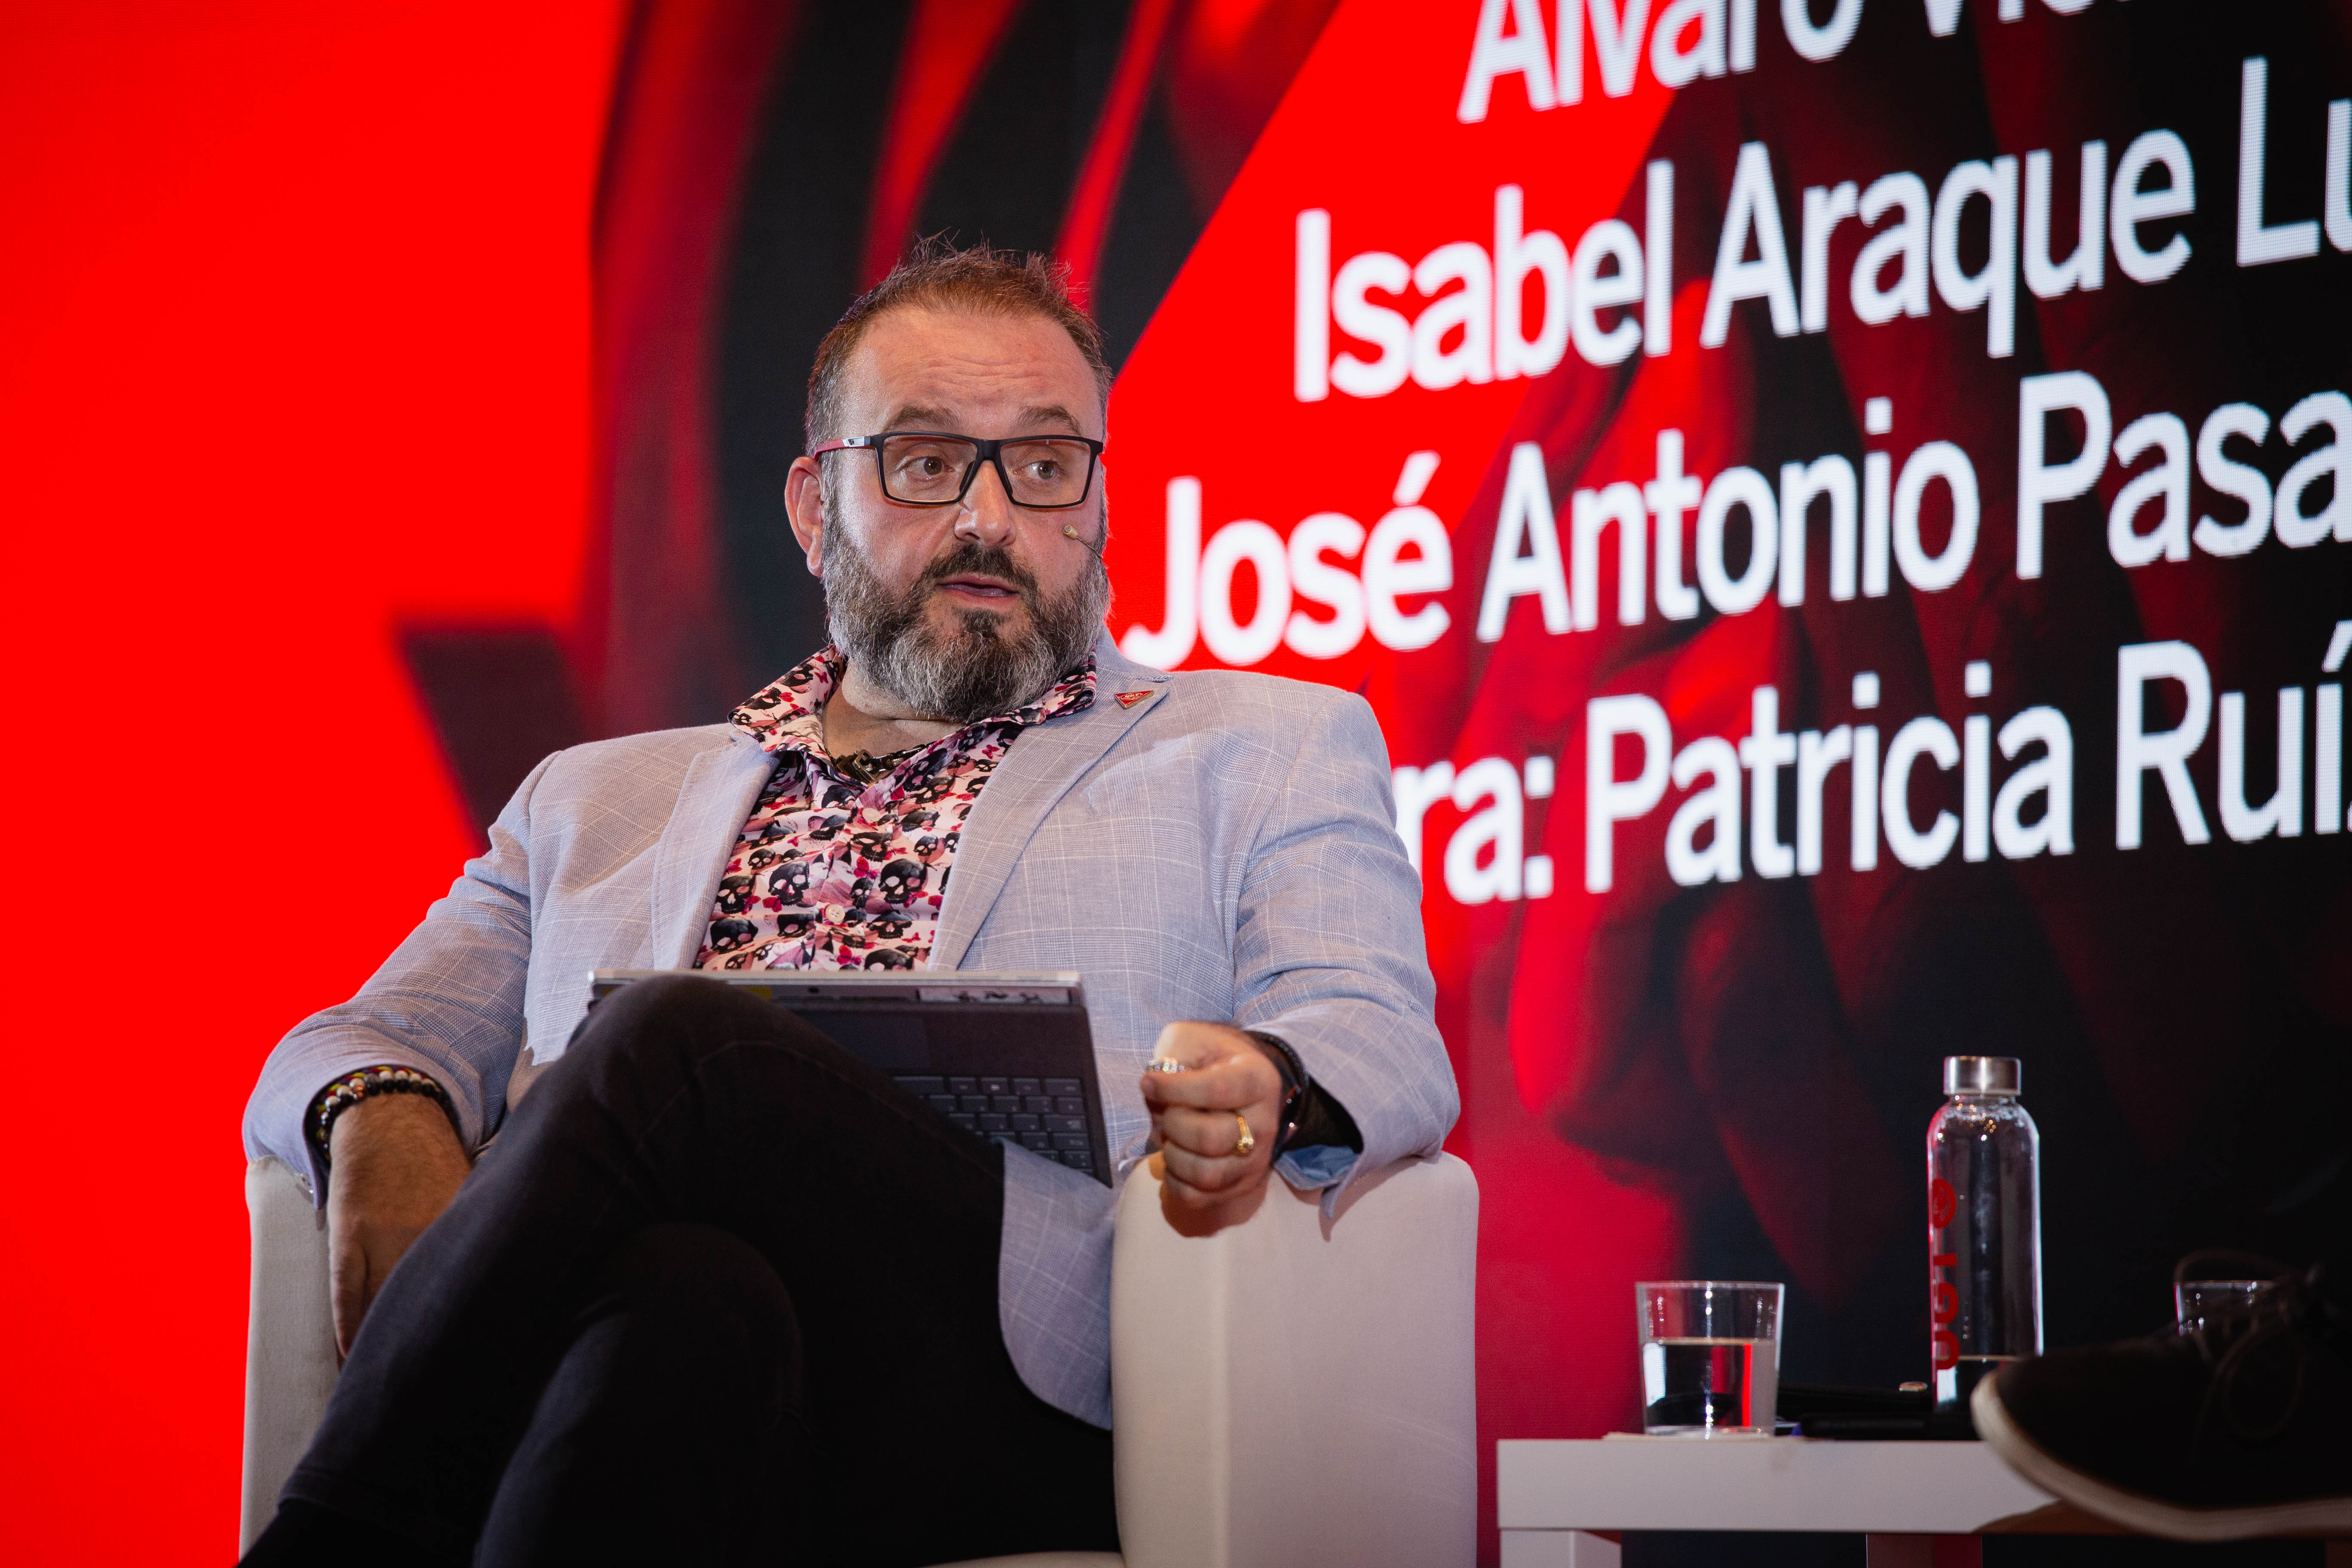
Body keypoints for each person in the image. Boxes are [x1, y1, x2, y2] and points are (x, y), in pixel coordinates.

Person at [237, 245, 1458, 1567]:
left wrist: (1269, 1077)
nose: (992, 518)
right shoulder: (592, 800)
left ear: (1098, 510)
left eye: (1046, 468)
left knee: (675, 1043)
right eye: (928, 463)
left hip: (1009, 1389)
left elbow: (1380, 1029)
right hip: (684, 1368)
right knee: (684, 1302)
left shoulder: (1262, 743)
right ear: (816, 509)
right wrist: (380, 1113)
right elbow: (359, 1032)